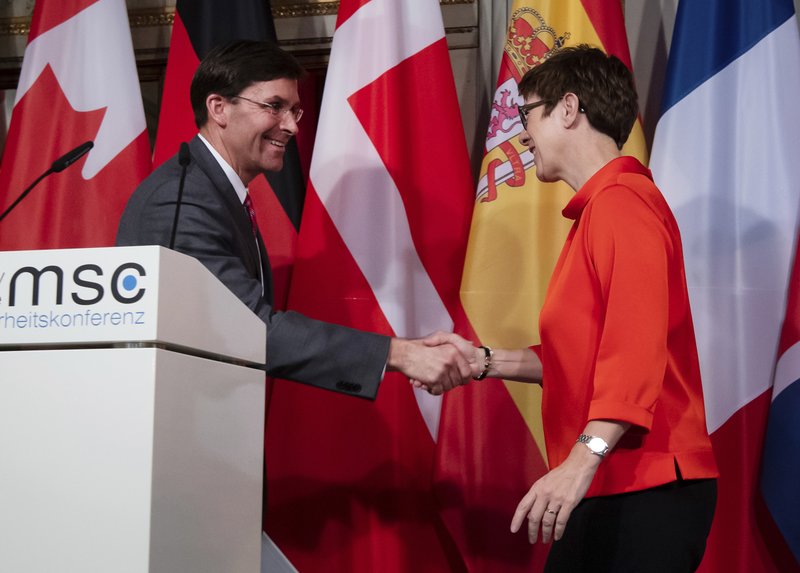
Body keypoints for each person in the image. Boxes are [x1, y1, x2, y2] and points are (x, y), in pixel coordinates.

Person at [423, 45, 718, 572]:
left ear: (568, 109)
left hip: (643, 486)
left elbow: (634, 352)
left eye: (525, 115)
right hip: (613, 481)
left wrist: (581, 459)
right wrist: (482, 361)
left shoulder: (622, 204)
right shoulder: (601, 211)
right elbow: (579, 359)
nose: (520, 134)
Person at [117, 40, 470, 397]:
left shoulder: (212, 192)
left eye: (294, 111)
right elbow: (247, 328)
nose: (291, 127)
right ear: (219, 108)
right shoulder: (182, 200)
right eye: (274, 107)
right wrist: (399, 353)